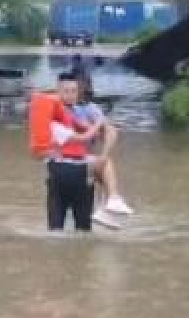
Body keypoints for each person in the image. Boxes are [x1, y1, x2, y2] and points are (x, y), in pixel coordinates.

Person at [30, 73, 104, 232]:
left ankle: (112, 198)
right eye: (66, 91)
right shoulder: (52, 119)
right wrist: (98, 123)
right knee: (55, 229)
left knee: (84, 230)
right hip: (60, 174)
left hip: (82, 174)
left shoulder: (83, 112)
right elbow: (85, 136)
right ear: (58, 92)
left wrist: (99, 127)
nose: (70, 95)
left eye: (74, 91)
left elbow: (96, 135)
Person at [68, 82, 134, 218]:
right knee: (105, 164)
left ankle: (105, 206)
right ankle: (111, 199)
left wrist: (103, 154)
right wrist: (103, 154)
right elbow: (109, 131)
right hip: (72, 160)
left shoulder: (88, 108)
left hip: (72, 161)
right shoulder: (87, 109)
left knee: (101, 168)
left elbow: (110, 131)